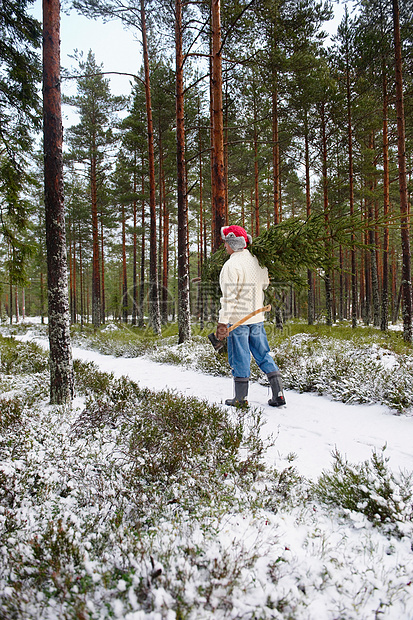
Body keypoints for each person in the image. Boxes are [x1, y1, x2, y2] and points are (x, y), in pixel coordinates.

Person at [216, 225, 286, 408]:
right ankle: (278, 394)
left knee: (240, 357)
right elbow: (264, 284)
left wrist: (223, 322)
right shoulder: (256, 260)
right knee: (263, 354)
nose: (224, 245)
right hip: (257, 319)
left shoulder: (231, 265)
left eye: (226, 242)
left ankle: (240, 399)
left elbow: (228, 298)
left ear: (232, 243)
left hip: (238, 321)